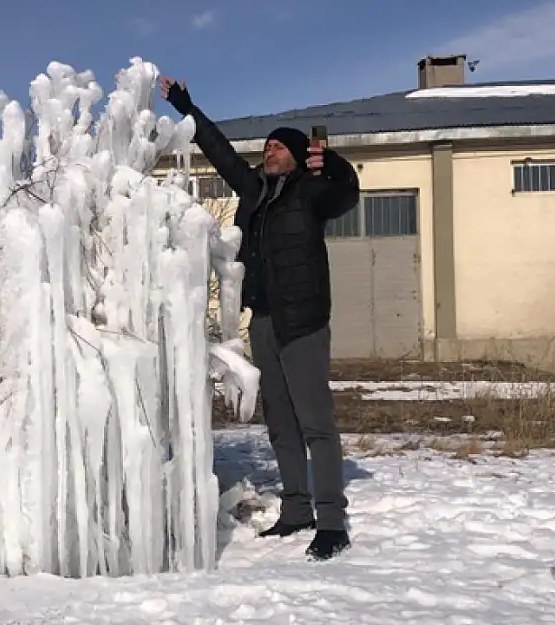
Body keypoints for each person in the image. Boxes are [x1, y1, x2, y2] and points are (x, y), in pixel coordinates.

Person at [158, 76, 360, 561]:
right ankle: (296, 508)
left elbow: (347, 193)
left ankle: (331, 519)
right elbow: (222, 152)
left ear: (294, 155)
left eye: (278, 147)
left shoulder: (312, 192)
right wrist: (187, 106)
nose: (269, 151)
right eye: (267, 146)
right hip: (265, 319)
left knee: (315, 423)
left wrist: (328, 163)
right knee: (281, 424)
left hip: (305, 318)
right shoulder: (254, 192)